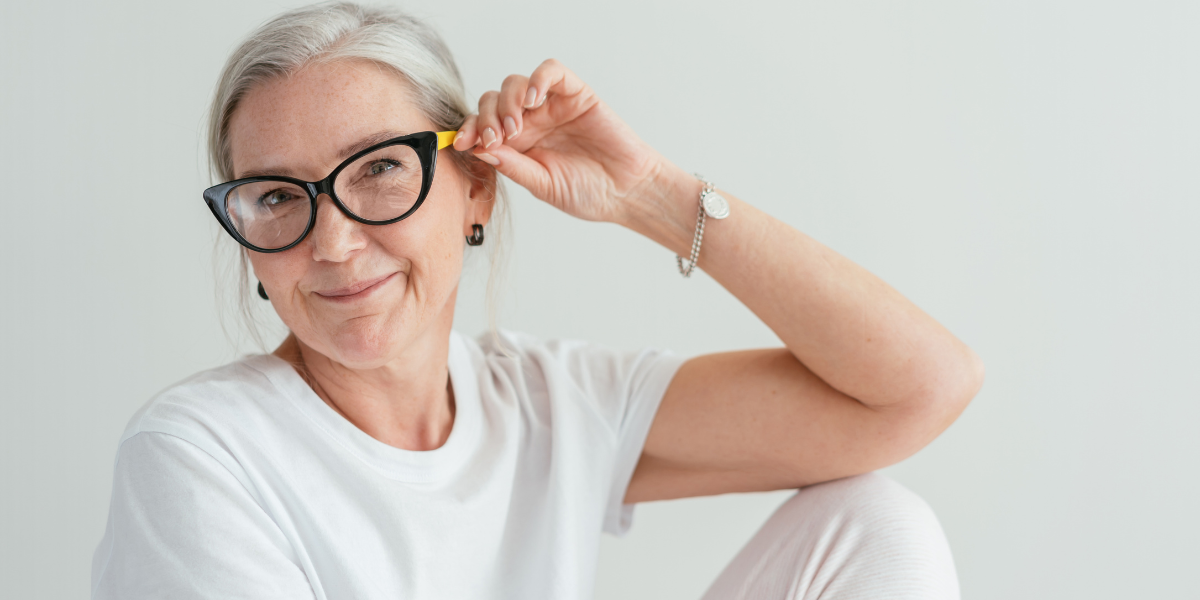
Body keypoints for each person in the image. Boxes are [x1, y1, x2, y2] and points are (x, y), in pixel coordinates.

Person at [91, 3, 984, 599]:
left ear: (476, 187)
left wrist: (651, 195)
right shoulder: (198, 455)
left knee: (875, 522)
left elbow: (915, 391)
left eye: (380, 170)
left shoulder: (547, 403)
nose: (332, 242)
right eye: (278, 196)